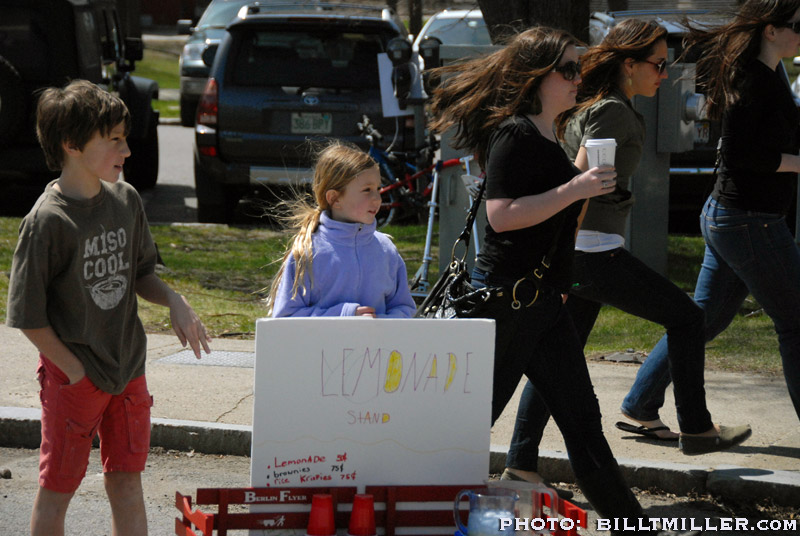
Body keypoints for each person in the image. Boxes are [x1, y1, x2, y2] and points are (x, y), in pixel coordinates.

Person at [428, 26, 703, 535]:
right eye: (569, 70)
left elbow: (553, 217)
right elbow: (502, 216)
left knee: (584, 424)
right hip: (508, 304)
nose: (580, 78)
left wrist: (578, 192)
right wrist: (575, 187)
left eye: (579, 67)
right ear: (537, 76)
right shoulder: (514, 132)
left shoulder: (549, 131)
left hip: (543, 304)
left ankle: (629, 525)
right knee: (467, 429)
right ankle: (414, 509)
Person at [500, 18, 752, 489]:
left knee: (559, 355)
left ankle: (520, 462)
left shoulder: (600, 106)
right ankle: (697, 428)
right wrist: (562, 259)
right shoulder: (612, 113)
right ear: (629, 64)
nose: (664, 74)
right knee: (686, 317)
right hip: (592, 251)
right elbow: (580, 189)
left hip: (583, 251)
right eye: (657, 64)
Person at [6, 79, 212, 536]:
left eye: (124, 136)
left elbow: (142, 274)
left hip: (128, 371)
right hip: (73, 379)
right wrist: (74, 371)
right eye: (114, 139)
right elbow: (26, 317)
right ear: (72, 144)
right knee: (58, 488)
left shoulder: (126, 200)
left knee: (126, 481)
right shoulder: (46, 221)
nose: (127, 149)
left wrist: (174, 300)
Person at [622, 0, 800, 432]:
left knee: (701, 319)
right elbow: (740, 154)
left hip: (734, 218)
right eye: (796, 25)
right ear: (770, 30)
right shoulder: (751, 77)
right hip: (748, 221)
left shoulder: (772, 73)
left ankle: (640, 405)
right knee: (796, 323)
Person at [267, 141, 416, 318]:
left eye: (378, 188)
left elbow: (404, 309)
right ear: (334, 199)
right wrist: (345, 315)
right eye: (367, 190)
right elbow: (286, 317)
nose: (377, 198)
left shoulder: (386, 250)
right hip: (322, 346)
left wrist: (380, 324)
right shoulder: (307, 253)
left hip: (377, 346)